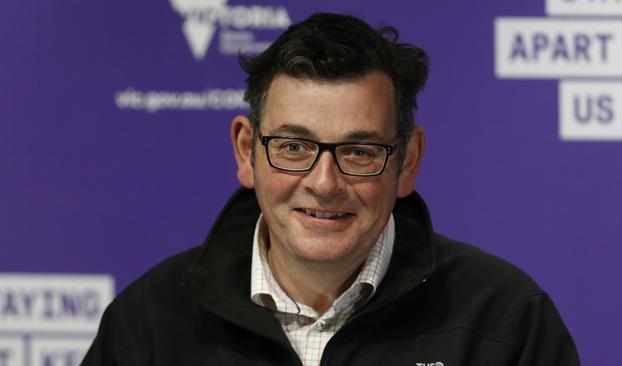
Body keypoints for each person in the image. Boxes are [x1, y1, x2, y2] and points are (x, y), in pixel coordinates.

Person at [82, 12, 580, 366]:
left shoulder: (506, 321)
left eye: (359, 152)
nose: (324, 184)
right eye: (294, 147)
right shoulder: (147, 324)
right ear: (245, 152)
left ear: (407, 161)